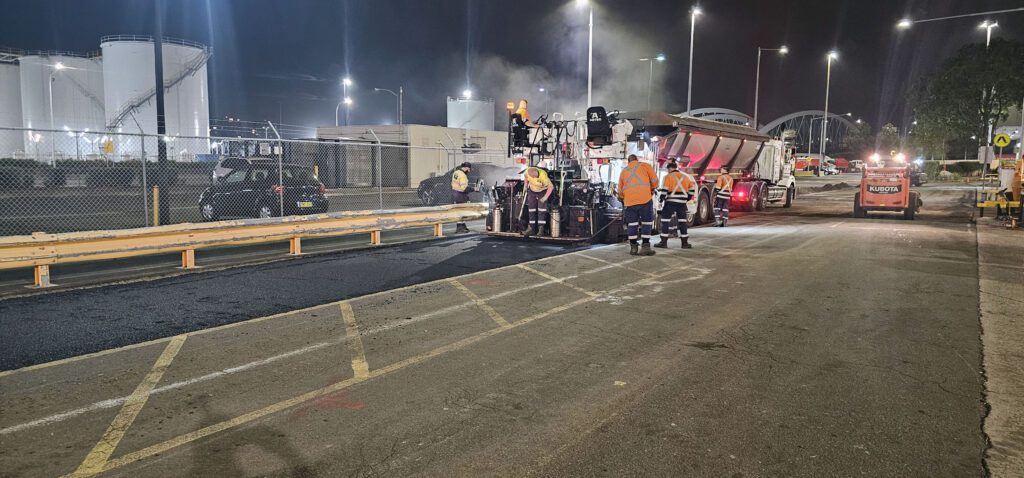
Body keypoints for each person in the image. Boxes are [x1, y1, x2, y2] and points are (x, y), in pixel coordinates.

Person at [617, 154, 659, 256]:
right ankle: (645, 247)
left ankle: (633, 248)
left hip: (630, 202)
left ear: (628, 162)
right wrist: (651, 189)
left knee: (632, 224)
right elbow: (655, 182)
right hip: (645, 199)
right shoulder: (645, 166)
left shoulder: (624, 171)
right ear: (637, 160)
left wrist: (623, 198)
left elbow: (620, 191)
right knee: (646, 223)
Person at [655, 160, 697, 249]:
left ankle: (663, 242)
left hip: (670, 202)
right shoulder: (685, 177)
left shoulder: (668, 177)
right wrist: (686, 198)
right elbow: (692, 190)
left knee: (665, 221)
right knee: (682, 222)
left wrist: (661, 199)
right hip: (682, 203)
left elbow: (664, 190)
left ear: (669, 168)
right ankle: (685, 243)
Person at [522, 166, 554, 237]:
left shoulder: (543, 175)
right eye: (532, 177)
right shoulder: (527, 172)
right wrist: (525, 185)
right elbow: (526, 177)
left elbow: (551, 187)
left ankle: (541, 229)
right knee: (531, 210)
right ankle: (531, 229)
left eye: (534, 176)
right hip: (532, 191)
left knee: (541, 210)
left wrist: (545, 197)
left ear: (536, 173)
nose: (533, 178)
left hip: (542, 191)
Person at [451, 162, 475, 233]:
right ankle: (460, 228)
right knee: (462, 211)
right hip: (461, 195)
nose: (469, 171)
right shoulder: (463, 175)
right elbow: (464, 188)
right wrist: (474, 189)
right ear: (467, 168)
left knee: (459, 211)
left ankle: (462, 226)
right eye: (469, 169)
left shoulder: (456, 172)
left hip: (455, 193)